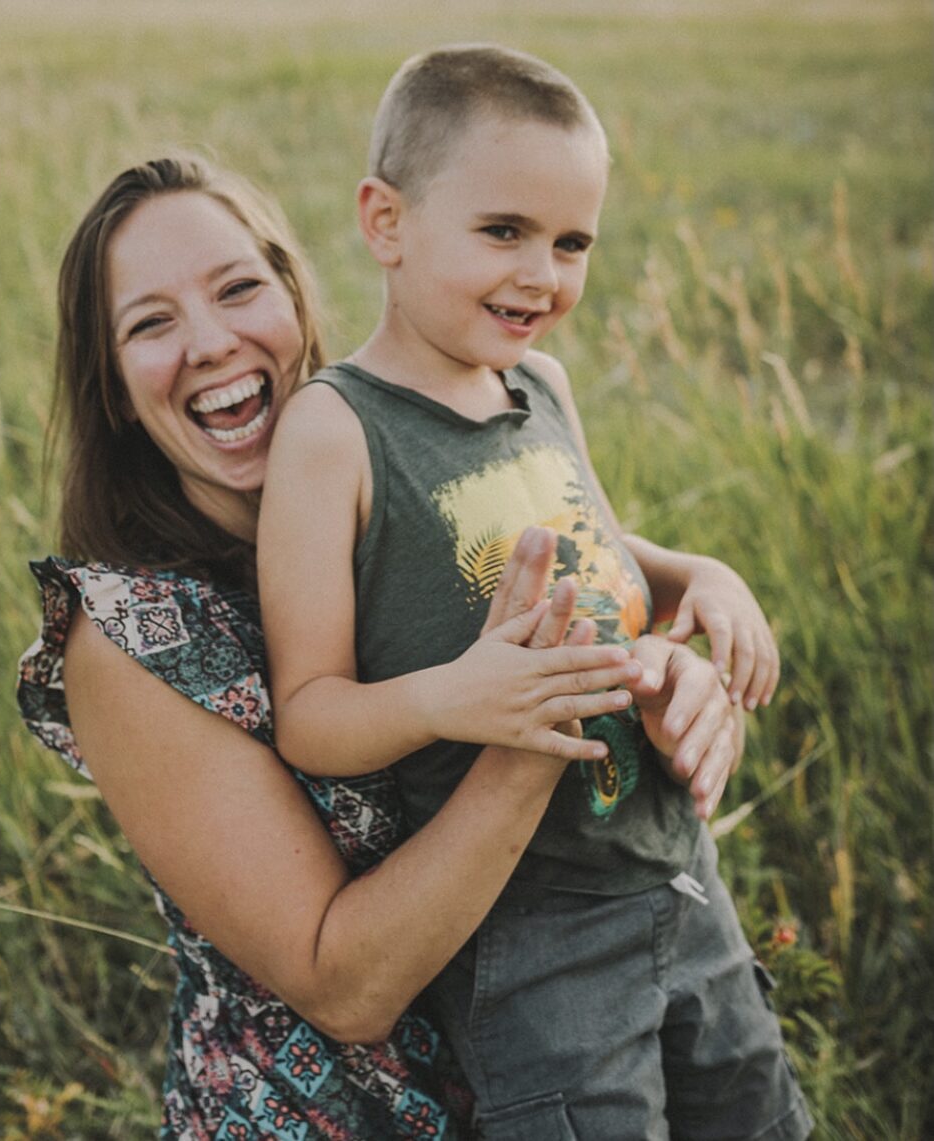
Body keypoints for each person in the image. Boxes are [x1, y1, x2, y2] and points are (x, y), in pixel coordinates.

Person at [15, 151, 727, 1140]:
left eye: (238, 289)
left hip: (574, 1038)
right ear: (114, 391)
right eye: (150, 324)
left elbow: (598, 568)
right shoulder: (131, 638)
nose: (211, 342)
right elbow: (345, 988)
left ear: (295, 299)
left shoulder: (368, 472)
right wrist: (532, 720)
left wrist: (682, 622)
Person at [258, 45, 812, 1140]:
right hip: (528, 928)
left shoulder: (538, 384)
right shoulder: (336, 432)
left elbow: (600, 555)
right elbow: (309, 714)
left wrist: (700, 577)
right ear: (386, 222)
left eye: (571, 243)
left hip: (672, 868)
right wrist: (449, 697)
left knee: (756, 1114)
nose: (541, 275)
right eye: (503, 232)